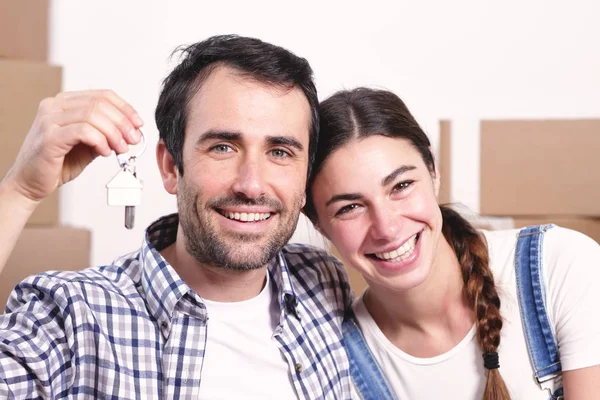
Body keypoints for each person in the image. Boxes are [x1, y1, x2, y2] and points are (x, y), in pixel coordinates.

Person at [0, 35, 354, 399]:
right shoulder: (70, 317)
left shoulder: (323, 282)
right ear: (171, 166)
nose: (251, 184)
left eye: (280, 152)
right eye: (222, 147)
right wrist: (19, 192)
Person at [303, 87, 600, 399]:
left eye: (402, 186)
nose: (387, 228)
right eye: (349, 208)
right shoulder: (340, 369)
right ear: (318, 223)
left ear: (433, 170)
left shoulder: (561, 267)